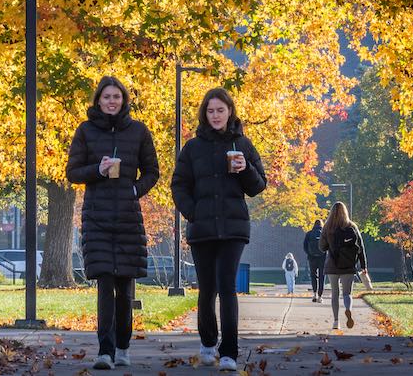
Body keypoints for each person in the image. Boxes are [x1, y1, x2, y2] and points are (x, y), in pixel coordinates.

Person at [66, 76, 160, 370]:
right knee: (104, 284)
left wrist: (134, 189)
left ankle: (123, 346)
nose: (111, 101)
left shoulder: (139, 131)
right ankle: (104, 350)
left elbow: (152, 171)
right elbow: (73, 172)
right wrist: (98, 169)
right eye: (106, 97)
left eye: (116, 97)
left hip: (128, 219)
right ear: (98, 100)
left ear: (124, 100)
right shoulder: (85, 131)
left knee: (126, 288)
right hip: (98, 218)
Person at [171, 87, 266, 372]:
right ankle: (208, 342)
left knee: (227, 287)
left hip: (233, 227)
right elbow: (179, 184)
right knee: (207, 289)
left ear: (230, 112)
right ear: (205, 114)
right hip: (202, 228)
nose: (215, 115)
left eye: (220, 110)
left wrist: (245, 168)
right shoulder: (192, 147)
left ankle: (229, 352)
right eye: (210, 111)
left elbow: (258, 185)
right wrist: (193, 211)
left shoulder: (243, 144)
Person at [319, 201, 368, 330]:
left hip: (332, 265)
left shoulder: (327, 227)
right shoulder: (352, 226)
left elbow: (322, 247)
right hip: (348, 265)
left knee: (335, 294)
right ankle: (348, 309)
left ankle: (336, 321)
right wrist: (364, 265)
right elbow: (361, 247)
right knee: (347, 293)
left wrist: (330, 242)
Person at [303, 219, 326, 302]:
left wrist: (309, 253)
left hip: (312, 258)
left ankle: (315, 294)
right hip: (322, 258)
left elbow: (305, 246)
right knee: (321, 277)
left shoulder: (309, 234)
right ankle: (320, 296)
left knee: (313, 275)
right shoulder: (324, 233)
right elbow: (328, 246)